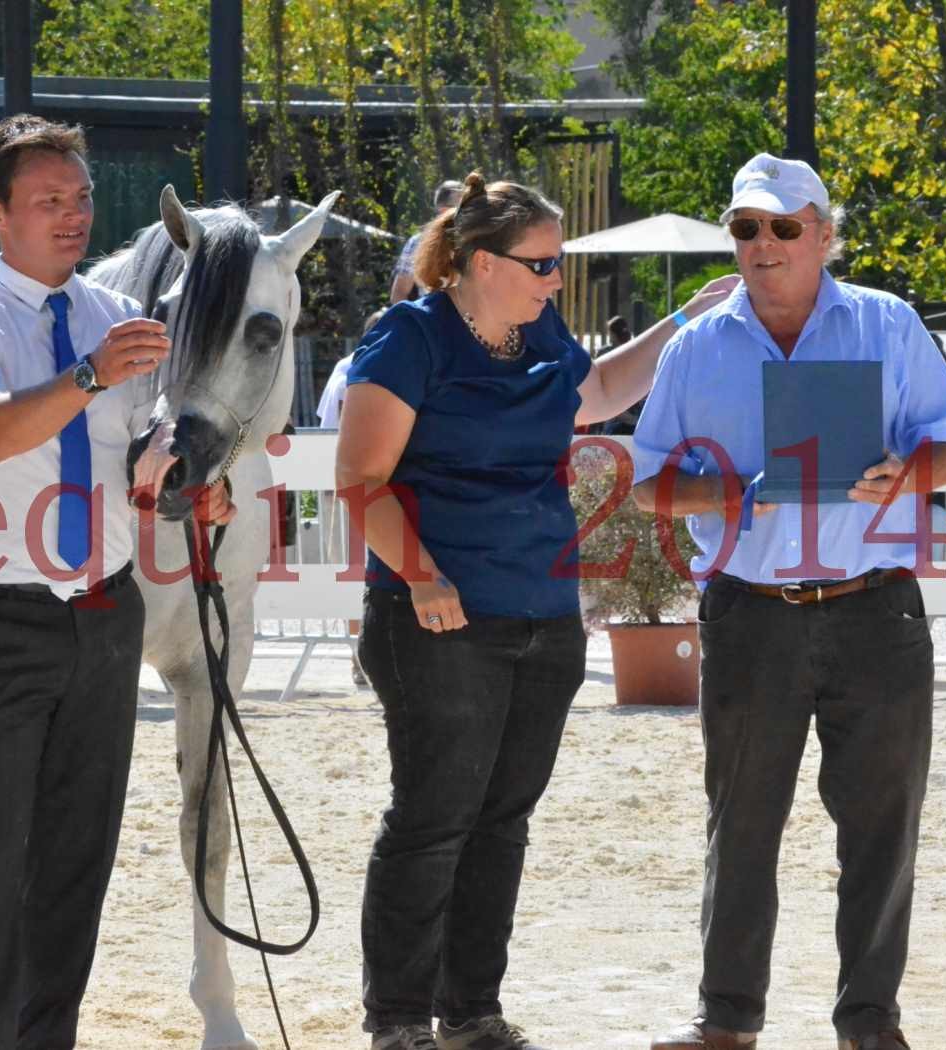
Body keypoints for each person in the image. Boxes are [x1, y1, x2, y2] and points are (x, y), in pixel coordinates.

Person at [337, 170, 738, 1050]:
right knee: (432, 817)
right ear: (482, 262)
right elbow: (359, 482)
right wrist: (422, 576)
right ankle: (397, 1019)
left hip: (545, 611)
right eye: (545, 264)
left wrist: (682, 323)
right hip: (438, 616)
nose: (558, 280)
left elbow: (589, 397)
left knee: (502, 821)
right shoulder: (408, 338)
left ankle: (471, 1011)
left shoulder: (538, 330)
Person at [0, 114, 232, 1049]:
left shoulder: (113, 320)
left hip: (106, 616)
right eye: (49, 200)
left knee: (76, 862)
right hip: (1, 619)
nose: (73, 215)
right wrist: (91, 374)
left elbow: (137, 452)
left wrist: (183, 485)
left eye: (83, 196)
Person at [635, 153, 946, 1050]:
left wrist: (907, 473)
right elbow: (644, 482)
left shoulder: (889, 326)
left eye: (784, 226)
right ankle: (726, 1021)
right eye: (746, 227)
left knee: (879, 828)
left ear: (823, 235)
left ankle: (869, 1024)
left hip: (876, 610)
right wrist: (721, 494)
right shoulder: (693, 347)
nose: (763, 244)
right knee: (739, 824)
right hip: (748, 612)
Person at [316, 307, 387, 688]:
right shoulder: (360, 368)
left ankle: (359, 655)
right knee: (360, 571)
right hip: (360, 483)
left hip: (345, 483)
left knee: (355, 571)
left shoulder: (347, 365)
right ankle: (361, 655)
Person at [389, 179, 466, 303]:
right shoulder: (418, 243)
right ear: (443, 210)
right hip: (433, 317)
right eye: (462, 207)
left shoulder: (474, 242)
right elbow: (399, 292)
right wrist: (415, 320)